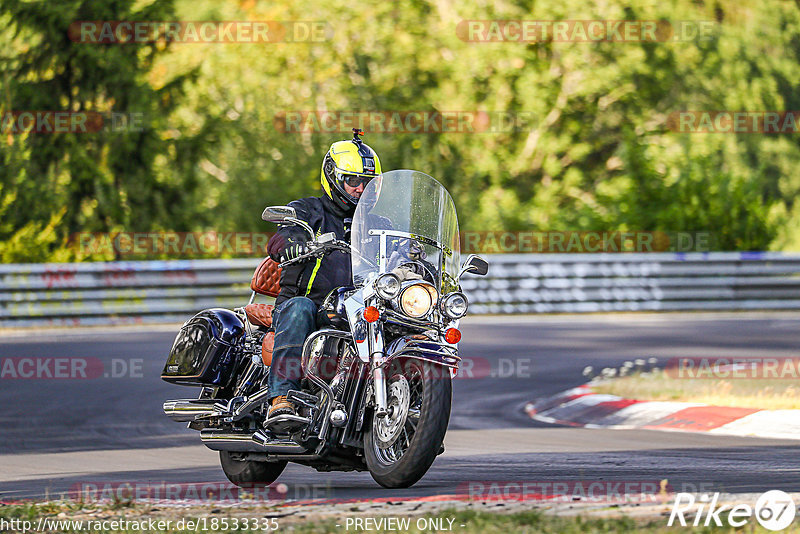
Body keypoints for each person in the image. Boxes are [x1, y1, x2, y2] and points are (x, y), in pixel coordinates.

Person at [265, 129, 381, 419]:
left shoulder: (380, 222)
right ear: (333, 176)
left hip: (356, 309)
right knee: (300, 308)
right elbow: (281, 237)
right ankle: (282, 397)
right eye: (352, 180)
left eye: (366, 183)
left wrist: (418, 262)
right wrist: (292, 245)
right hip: (309, 306)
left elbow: (403, 249)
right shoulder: (308, 210)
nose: (359, 189)